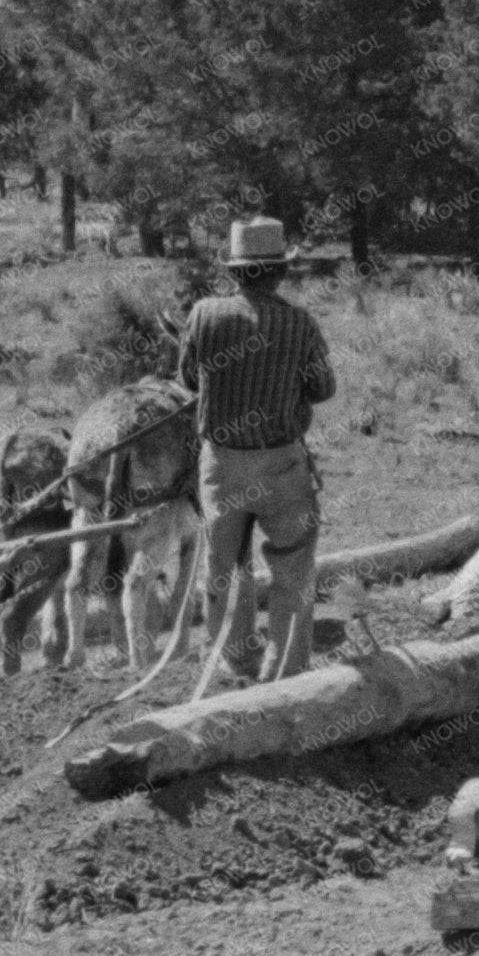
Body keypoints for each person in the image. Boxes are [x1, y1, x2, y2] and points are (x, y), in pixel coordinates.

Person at [175, 215, 334, 687]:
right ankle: (284, 673)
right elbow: (324, 388)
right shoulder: (299, 323)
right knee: (292, 567)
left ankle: (237, 664)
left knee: (224, 569)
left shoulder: (204, 315)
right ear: (280, 271)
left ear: (235, 271)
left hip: (221, 464)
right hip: (282, 463)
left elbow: (186, 379)